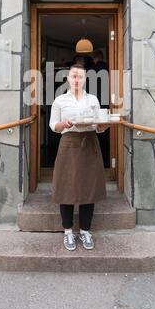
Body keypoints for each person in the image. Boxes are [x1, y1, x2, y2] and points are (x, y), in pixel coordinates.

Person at [49, 64, 111, 251]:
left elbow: (97, 126)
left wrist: (102, 127)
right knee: (66, 187)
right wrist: (64, 124)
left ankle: (85, 231)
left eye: (80, 76)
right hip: (68, 143)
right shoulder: (60, 100)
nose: (77, 79)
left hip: (90, 143)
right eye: (74, 76)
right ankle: (68, 232)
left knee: (88, 189)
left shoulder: (92, 99)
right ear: (68, 78)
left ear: (85, 79)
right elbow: (53, 125)